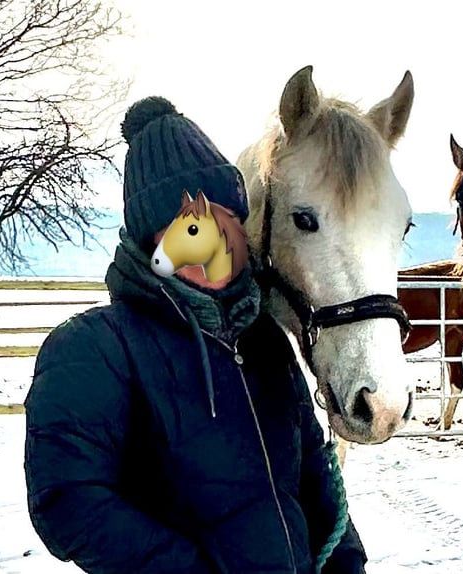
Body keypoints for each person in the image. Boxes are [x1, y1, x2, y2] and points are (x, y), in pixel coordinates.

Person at [23, 95, 368, 574]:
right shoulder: (95, 348)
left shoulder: (263, 340)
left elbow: (313, 473)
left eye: (225, 221)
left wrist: (346, 562)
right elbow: (68, 501)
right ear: (153, 240)